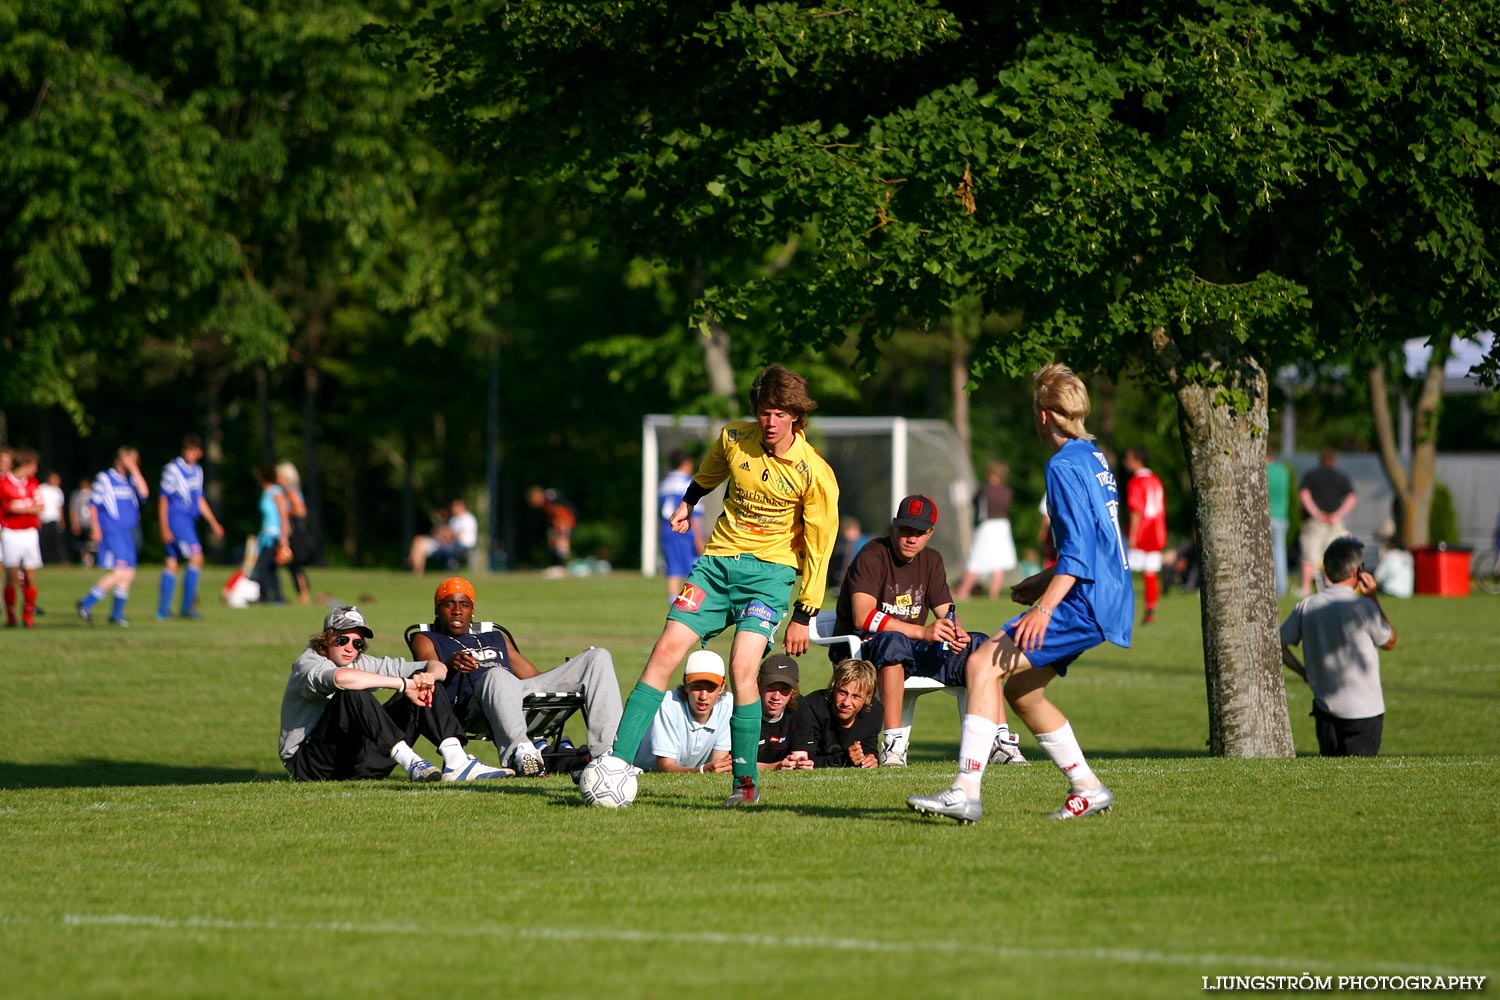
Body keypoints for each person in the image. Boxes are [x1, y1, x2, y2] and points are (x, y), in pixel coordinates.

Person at [600, 364, 840, 807]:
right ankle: (614, 765)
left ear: (796, 417)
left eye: (779, 413)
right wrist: (687, 505)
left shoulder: (814, 473)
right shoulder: (734, 439)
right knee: (664, 652)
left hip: (770, 579)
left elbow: (821, 549)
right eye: (764, 412)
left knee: (743, 667)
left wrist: (805, 613)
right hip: (714, 569)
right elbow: (708, 474)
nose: (769, 422)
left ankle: (744, 785)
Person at [909, 363, 1132, 824]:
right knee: (1025, 691)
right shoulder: (1095, 457)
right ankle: (1088, 787)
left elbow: (1080, 549)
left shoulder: (1063, 464)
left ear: (1044, 416)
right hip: (1108, 595)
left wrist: (1045, 607)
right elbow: (1094, 543)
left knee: (980, 664)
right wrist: (1041, 580)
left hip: (1083, 600)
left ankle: (965, 790)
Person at [832, 493, 1025, 768]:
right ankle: (893, 744)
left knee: (980, 645)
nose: (912, 538)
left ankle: (1000, 742)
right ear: (894, 525)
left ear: (930, 533)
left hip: (909, 645)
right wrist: (923, 632)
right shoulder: (872, 555)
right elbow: (863, 617)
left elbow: (948, 611)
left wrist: (956, 632)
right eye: (906, 530)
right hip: (865, 650)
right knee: (893, 642)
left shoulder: (931, 560)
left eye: (920, 532)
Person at [406, 576, 623, 776]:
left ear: (472, 610)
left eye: (464, 604)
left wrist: (570, 675)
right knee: (497, 674)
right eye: (448, 604)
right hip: (476, 706)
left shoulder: (495, 637)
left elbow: (533, 677)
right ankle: (522, 752)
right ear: (438, 609)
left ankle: (611, 756)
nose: (456, 611)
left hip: (518, 696)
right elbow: (429, 671)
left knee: (598, 657)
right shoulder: (426, 638)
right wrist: (449, 664)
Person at [279, 605, 509, 782]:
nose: (350, 648)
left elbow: (433, 664)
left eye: (358, 643)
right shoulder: (308, 663)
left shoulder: (360, 661)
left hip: (360, 760)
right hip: (312, 765)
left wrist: (426, 677)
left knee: (424, 681)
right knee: (351, 693)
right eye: (342, 640)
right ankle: (411, 762)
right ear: (326, 638)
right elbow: (341, 678)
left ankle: (456, 761)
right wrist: (402, 684)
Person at [1280, 537, 1397, 757]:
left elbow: (1279, 646)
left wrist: (1303, 672)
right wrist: (1373, 598)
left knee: (1332, 777)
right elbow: (1389, 640)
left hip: (1326, 710)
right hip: (1365, 712)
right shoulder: (1362, 606)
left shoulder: (1306, 606)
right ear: (1357, 571)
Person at [76, 447, 151, 627]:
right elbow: (94, 504)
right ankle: (86, 603)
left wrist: (134, 470)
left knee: (129, 573)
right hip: (112, 531)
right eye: (126, 460)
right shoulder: (105, 479)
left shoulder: (131, 480)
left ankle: (116, 615)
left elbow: (145, 493)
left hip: (128, 532)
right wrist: (96, 527)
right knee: (119, 571)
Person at [156, 435, 226, 621]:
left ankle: (163, 611)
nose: (190, 453)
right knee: (196, 556)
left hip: (189, 521)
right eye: (187, 449)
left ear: (200, 452)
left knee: (172, 561)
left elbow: (199, 499)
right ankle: (187, 607)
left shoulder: (197, 471)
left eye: (193, 450)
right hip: (177, 520)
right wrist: (164, 526)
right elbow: (163, 499)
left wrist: (213, 522)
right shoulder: (172, 470)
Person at [632, 649, 734, 773]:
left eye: (711, 688)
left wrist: (717, 768)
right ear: (685, 684)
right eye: (696, 687)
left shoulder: (728, 705)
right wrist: (701, 770)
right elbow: (665, 765)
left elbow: (719, 762)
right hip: (637, 768)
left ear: (722, 687)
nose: (703, 696)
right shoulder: (668, 704)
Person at [792, 658, 882, 768]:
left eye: (856, 696)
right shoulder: (812, 708)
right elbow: (805, 762)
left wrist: (870, 760)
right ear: (833, 688)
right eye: (843, 692)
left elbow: (869, 750)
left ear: (867, 699)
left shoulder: (874, 712)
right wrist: (845, 759)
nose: (846, 702)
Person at [955, 461, 1018, 600]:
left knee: (976, 560)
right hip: (1003, 525)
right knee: (998, 562)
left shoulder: (984, 489)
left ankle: (963, 591)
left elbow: (975, 503)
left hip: (987, 525)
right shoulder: (1007, 491)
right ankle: (993, 594)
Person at [1298, 447, 1357, 596]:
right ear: (1334, 461)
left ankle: (1305, 588)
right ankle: (1331, 589)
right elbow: (1351, 498)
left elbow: (1304, 495)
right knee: (1334, 556)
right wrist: (1337, 515)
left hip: (1315, 522)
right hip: (1335, 522)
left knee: (1309, 555)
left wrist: (1317, 514)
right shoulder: (1341, 477)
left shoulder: (1311, 476)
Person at [1122, 446, 1166, 625]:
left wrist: (1132, 535)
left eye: (1128, 458)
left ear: (1137, 460)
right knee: (1150, 574)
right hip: (1156, 532)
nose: (1125, 462)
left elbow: (1136, 510)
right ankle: (1150, 612)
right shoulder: (1156, 480)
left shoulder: (1136, 482)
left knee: (1124, 573)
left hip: (1140, 532)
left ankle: (1121, 610)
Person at [2, 448, 44, 628]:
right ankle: (11, 615)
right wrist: (20, 507)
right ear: (26, 465)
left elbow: (40, 506)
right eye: (33, 465)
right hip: (11, 532)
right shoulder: (4, 483)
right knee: (11, 575)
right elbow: (7, 507)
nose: (35, 469)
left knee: (29, 575)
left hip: (29, 532)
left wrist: (23, 508)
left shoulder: (33, 483)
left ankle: (28, 613)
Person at [658, 449, 704, 596]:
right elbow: (694, 514)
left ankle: (672, 602)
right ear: (686, 463)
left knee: (673, 569)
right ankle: (691, 603)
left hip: (667, 530)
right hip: (686, 532)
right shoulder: (688, 484)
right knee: (695, 569)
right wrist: (699, 539)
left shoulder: (664, 484)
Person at [757, 653, 811, 771]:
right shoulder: (744, 708)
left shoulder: (799, 707)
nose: (776, 697)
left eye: (784, 689)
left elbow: (799, 756)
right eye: (771, 687)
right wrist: (775, 767)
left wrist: (801, 764)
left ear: (793, 691)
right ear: (759, 684)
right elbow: (735, 764)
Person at [252, 464, 290, 605]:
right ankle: (276, 596)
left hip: (274, 535)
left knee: (264, 566)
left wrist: (284, 537)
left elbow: (283, 515)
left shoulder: (276, 492)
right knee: (270, 567)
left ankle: (267, 596)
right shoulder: (267, 492)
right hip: (266, 535)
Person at [276, 462, 314, 604]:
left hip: (295, 531)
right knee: (292, 566)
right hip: (292, 529)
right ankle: (302, 594)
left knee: (295, 565)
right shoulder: (286, 490)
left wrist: (284, 511)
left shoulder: (290, 490)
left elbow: (300, 510)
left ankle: (303, 594)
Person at [408, 498, 478, 574]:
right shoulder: (454, 520)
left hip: (461, 545)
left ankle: (414, 563)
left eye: (455, 507)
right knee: (419, 540)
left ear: (462, 507)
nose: (453, 509)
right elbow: (447, 534)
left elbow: (455, 535)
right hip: (448, 543)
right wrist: (441, 535)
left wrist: (443, 535)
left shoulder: (467, 518)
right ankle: (416, 569)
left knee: (421, 544)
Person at [526, 486, 577, 569]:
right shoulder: (546, 502)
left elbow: (560, 511)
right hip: (562, 521)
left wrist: (562, 525)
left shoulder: (549, 498)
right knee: (553, 540)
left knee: (561, 541)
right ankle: (556, 564)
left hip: (566, 519)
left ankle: (562, 565)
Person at [1266, 446, 1293, 597]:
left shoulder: (1262, 471)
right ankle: (1281, 586)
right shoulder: (1283, 471)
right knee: (1280, 551)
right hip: (1281, 516)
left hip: (1266, 516)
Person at [825, 516, 870, 591]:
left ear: (856, 529)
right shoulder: (843, 545)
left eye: (848, 531)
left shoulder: (865, 542)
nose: (846, 534)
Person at [1372, 519, 1414, 599]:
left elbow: (1377, 578)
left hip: (1390, 592)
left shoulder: (1390, 556)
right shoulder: (1408, 556)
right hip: (1407, 594)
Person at [38, 470, 68, 566]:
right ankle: (43, 560)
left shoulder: (58, 491)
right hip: (44, 519)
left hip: (55, 519)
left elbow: (60, 507)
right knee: (44, 541)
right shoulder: (41, 488)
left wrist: (62, 520)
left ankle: (62, 560)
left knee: (58, 542)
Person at [68, 474, 96, 568]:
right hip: (81, 522)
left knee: (92, 543)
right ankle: (84, 560)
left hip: (91, 523)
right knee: (81, 543)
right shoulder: (77, 495)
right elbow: (73, 510)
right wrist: (74, 523)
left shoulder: (94, 494)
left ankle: (91, 559)